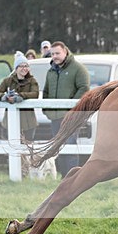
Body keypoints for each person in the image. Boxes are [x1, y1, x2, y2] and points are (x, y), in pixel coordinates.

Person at [42, 41, 90, 177]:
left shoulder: (78, 68)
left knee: (70, 146)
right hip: (55, 117)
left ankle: (72, 177)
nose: (55, 56)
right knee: (58, 147)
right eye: (52, 54)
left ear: (65, 52)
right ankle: (63, 177)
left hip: (71, 117)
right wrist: (46, 109)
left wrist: (71, 109)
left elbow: (84, 88)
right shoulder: (51, 71)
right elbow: (46, 91)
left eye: (57, 53)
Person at [0, 55, 40, 142]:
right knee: (11, 146)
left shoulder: (32, 81)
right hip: (10, 120)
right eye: (21, 66)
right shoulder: (8, 81)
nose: (24, 68)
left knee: (27, 147)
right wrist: (3, 97)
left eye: (26, 66)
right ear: (16, 68)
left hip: (28, 121)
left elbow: (35, 94)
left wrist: (21, 96)